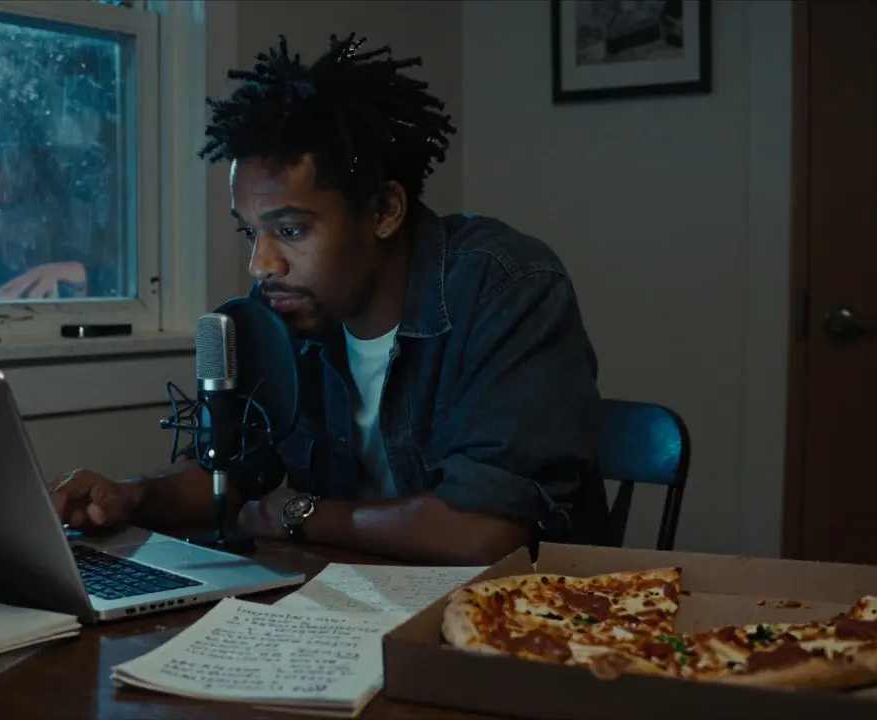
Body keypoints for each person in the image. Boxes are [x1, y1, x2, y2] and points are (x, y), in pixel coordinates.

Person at [50, 33, 610, 565]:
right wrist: (130, 498)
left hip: (519, 625)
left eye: (290, 230)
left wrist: (303, 514)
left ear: (384, 211)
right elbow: (232, 478)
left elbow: (486, 532)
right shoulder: (279, 309)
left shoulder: (507, 288)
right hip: (350, 609)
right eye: (250, 232)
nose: (261, 264)